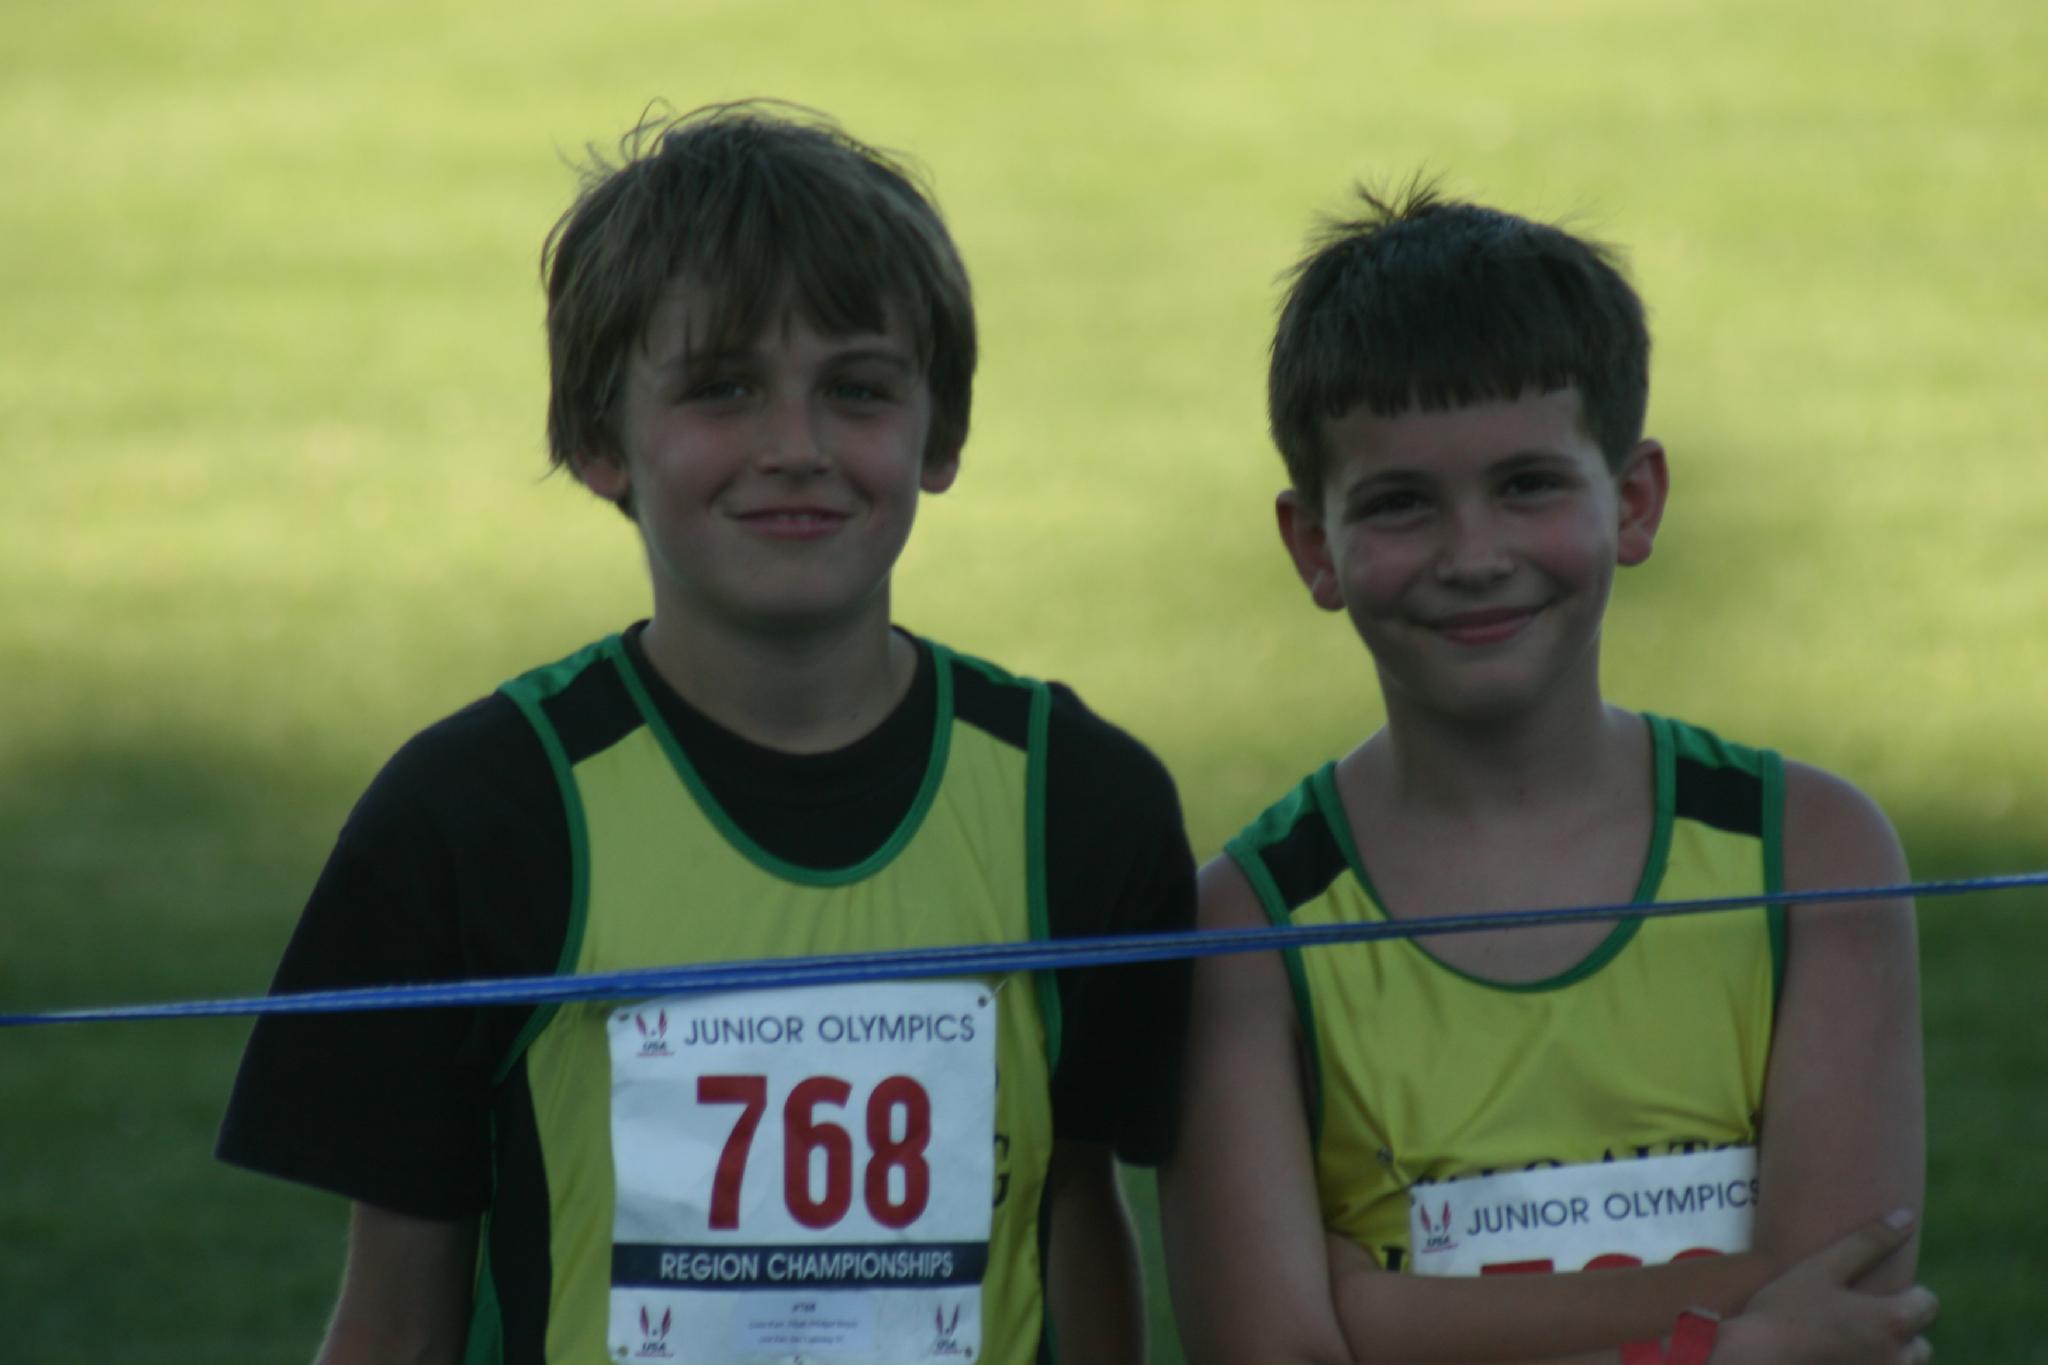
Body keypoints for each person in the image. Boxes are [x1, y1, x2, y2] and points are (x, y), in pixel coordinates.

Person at [218, 101, 1193, 1365]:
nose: (794, 448)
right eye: (722, 389)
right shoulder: (471, 814)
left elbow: (1074, 1205)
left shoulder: (1075, 800)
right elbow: (397, 1320)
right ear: (596, 440)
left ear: (940, 432)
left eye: (856, 389)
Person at [1161, 183, 1934, 1363]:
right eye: (1399, 505)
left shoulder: (1808, 852)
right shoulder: (1248, 926)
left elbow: (1844, 1311)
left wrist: (1381, 1316)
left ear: (1632, 500)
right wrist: (1722, 1343)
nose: (1472, 555)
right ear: (1313, 546)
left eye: (1526, 484)